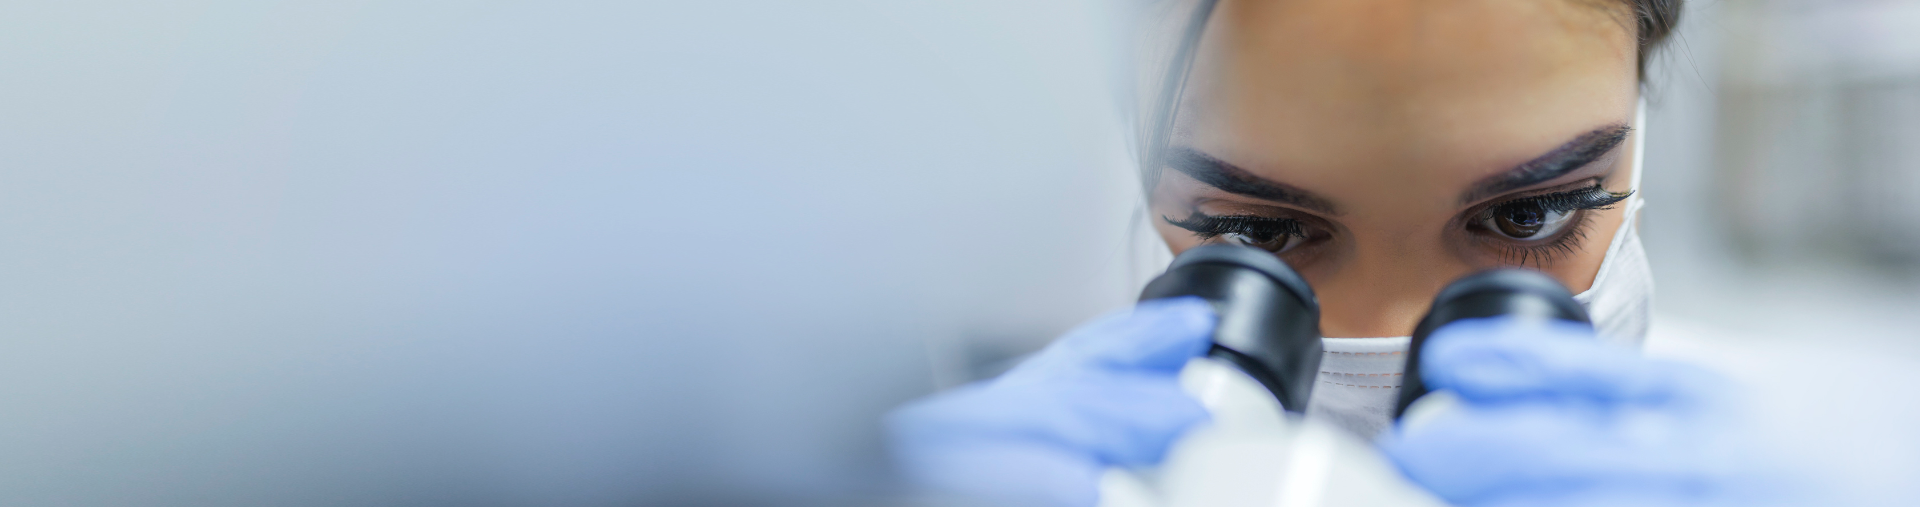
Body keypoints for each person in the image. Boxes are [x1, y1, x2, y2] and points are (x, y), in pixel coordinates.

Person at [886, 0, 1792, 506]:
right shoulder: (1011, 470)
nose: (1397, 342)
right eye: (1259, 237)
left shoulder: (1773, 466)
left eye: (1530, 217)